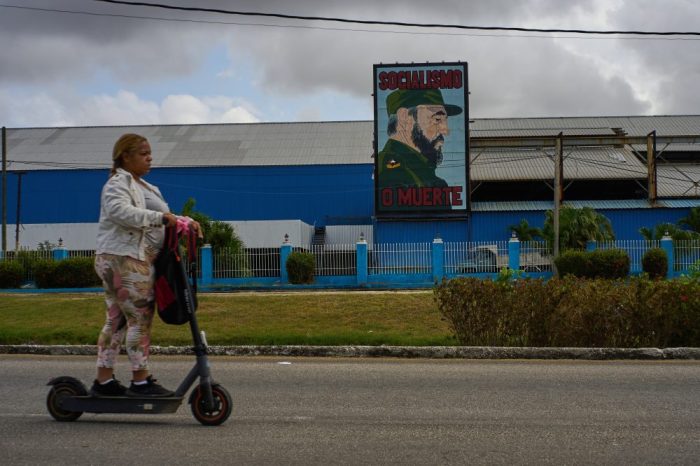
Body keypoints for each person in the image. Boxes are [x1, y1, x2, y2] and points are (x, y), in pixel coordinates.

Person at [91, 133, 201, 397]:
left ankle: (103, 381)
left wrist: (184, 221)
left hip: (128, 258)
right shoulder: (118, 183)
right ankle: (140, 381)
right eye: (143, 154)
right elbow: (120, 212)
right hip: (124, 258)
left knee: (116, 320)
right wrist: (160, 218)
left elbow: (163, 216)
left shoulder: (146, 187)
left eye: (150, 153)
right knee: (139, 319)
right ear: (125, 157)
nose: (149, 158)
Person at [376, 88, 462, 209]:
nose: (445, 130)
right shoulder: (391, 173)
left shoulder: (429, 178)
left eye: (444, 121)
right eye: (437, 119)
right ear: (404, 117)